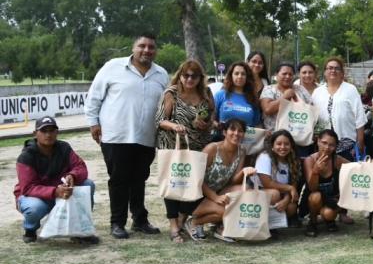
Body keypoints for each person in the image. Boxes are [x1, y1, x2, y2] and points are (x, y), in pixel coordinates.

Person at [85, 33, 169, 239]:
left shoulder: (161, 74)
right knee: (119, 179)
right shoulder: (113, 67)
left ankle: (140, 220)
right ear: (133, 47)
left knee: (140, 179)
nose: (146, 50)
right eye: (142, 46)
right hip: (116, 136)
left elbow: (167, 105)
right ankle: (117, 222)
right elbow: (94, 96)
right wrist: (93, 122)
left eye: (151, 47)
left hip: (147, 137)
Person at [155, 60, 215, 243]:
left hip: (197, 147)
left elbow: (212, 118)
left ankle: (182, 218)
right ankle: (173, 225)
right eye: (186, 75)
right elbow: (160, 120)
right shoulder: (171, 93)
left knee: (193, 184)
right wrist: (175, 126)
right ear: (180, 75)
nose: (189, 79)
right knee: (173, 184)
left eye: (194, 76)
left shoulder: (206, 94)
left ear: (200, 78)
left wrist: (205, 124)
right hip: (173, 146)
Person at [190, 119, 278, 242]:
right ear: (225, 132)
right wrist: (215, 197)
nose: (236, 133)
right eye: (232, 129)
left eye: (240, 131)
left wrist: (244, 172)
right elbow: (196, 178)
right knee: (229, 210)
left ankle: (220, 226)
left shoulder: (241, 151)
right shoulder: (212, 149)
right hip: (198, 195)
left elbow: (233, 181)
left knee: (246, 190)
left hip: (217, 192)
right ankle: (194, 221)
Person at [15, 116, 98, 244]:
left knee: (88, 184)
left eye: (52, 130)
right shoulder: (26, 156)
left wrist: (72, 176)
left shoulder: (64, 147)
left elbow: (80, 167)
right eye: (44, 131)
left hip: (62, 193)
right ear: (35, 134)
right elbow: (28, 188)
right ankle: (30, 229)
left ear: (57, 132)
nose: (48, 134)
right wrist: (55, 192)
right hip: (36, 197)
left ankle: (80, 230)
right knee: (35, 207)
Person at [313, 56, 366, 161]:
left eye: (337, 68)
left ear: (342, 72)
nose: (333, 70)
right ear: (325, 72)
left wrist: (360, 142)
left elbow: (360, 117)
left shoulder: (350, 89)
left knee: (346, 174)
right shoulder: (317, 92)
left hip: (347, 144)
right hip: (324, 145)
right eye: (330, 68)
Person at [303, 129, 350, 236]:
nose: (327, 147)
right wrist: (315, 172)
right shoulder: (309, 160)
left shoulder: (337, 160)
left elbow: (355, 169)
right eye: (324, 143)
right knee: (315, 196)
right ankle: (312, 222)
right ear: (318, 141)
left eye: (331, 145)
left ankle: (330, 220)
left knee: (328, 214)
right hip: (313, 198)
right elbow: (312, 188)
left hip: (331, 199)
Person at [254, 130, 302, 228]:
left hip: (280, 194)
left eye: (286, 144)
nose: (283, 147)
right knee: (274, 194)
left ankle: (274, 224)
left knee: (291, 207)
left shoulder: (293, 160)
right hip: (257, 193)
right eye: (279, 144)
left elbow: (294, 185)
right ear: (272, 146)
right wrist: (290, 188)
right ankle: (266, 226)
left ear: (291, 146)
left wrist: (286, 200)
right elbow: (267, 183)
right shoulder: (265, 157)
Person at [260, 62, 313, 132]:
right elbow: (267, 109)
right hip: (275, 136)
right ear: (276, 74)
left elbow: (311, 109)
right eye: (284, 74)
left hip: (299, 134)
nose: (287, 76)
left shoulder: (301, 89)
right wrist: (285, 97)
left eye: (290, 74)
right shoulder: (269, 89)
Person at [213, 62, 262, 129]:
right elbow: (211, 118)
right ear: (231, 76)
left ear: (247, 77)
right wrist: (218, 126)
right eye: (236, 73)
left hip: (247, 138)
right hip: (223, 138)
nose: (240, 76)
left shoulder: (253, 98)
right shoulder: (220, 95)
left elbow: (256, 124)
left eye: (243, 74)